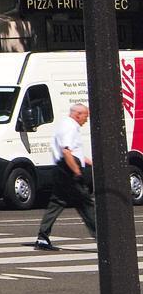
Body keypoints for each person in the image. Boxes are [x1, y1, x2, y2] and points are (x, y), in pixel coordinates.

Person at [35, 96, 98, 251]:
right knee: (85, 203)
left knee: (57, 203)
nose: (86, 119)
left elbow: (75, 152)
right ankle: (102, 237)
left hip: (64, 169)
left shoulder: (67, 125)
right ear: (78, 114)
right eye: (85, 116)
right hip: (68, 170)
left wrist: (90, 163)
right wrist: (77, 172)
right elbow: (67, 151)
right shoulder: (69, 127)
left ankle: (43, 237)